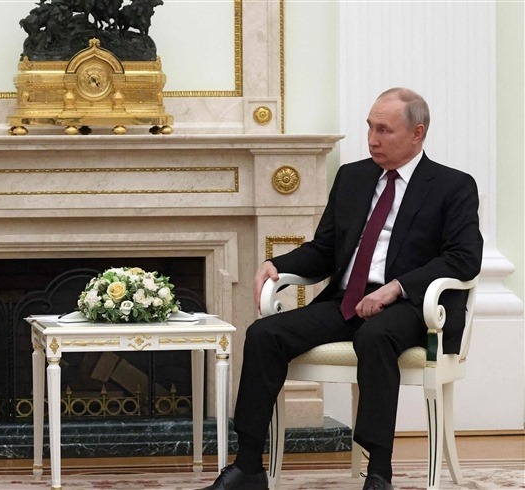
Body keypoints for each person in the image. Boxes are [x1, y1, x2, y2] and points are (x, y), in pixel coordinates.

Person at [198, 88, 483, 490]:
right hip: (347, 301)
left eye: (384, 130)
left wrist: (396, 288)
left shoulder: (452, 186)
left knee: (375, 336)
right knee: (264, 334)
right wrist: (278, 265)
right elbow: (325, 249)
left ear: (417, 133)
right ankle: (248, 466)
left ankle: (379, 472)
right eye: (369, 127)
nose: (372, 139)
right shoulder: (352, 177)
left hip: (412, 308)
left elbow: (463, 258)